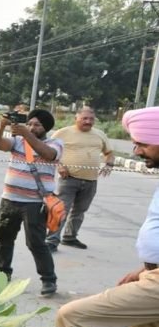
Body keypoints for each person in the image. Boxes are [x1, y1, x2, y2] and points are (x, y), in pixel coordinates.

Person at [56, 106, 159, 327]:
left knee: (74, 319)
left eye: (143, 143)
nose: (137, 150)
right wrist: (144, 270)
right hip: (151, 275)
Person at [0, 109, 62, 295]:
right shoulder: (17, 141)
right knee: (4, 240)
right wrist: (1, 126)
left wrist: (26, 133)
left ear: (46, 128)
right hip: (10, 200)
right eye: (29, 124)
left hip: (35, 203)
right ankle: (2, 274)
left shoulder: (55, 143)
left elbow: (48, 154)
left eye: (37, 125)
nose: (32, 127)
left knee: (36, 243)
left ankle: (49, 280)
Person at [46, 107, 115, 252]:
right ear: (76, 118)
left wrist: (109, 163)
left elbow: (109, 153)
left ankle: (70, 237)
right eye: (84, 118)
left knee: (79, 211)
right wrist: (60, 166)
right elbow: (48, 152)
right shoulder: (63, 132)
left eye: (91, 119)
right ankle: (52, 240)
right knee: (61, 210)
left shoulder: (100, 134)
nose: (88, 121)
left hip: (90, 180)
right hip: (68, 179)